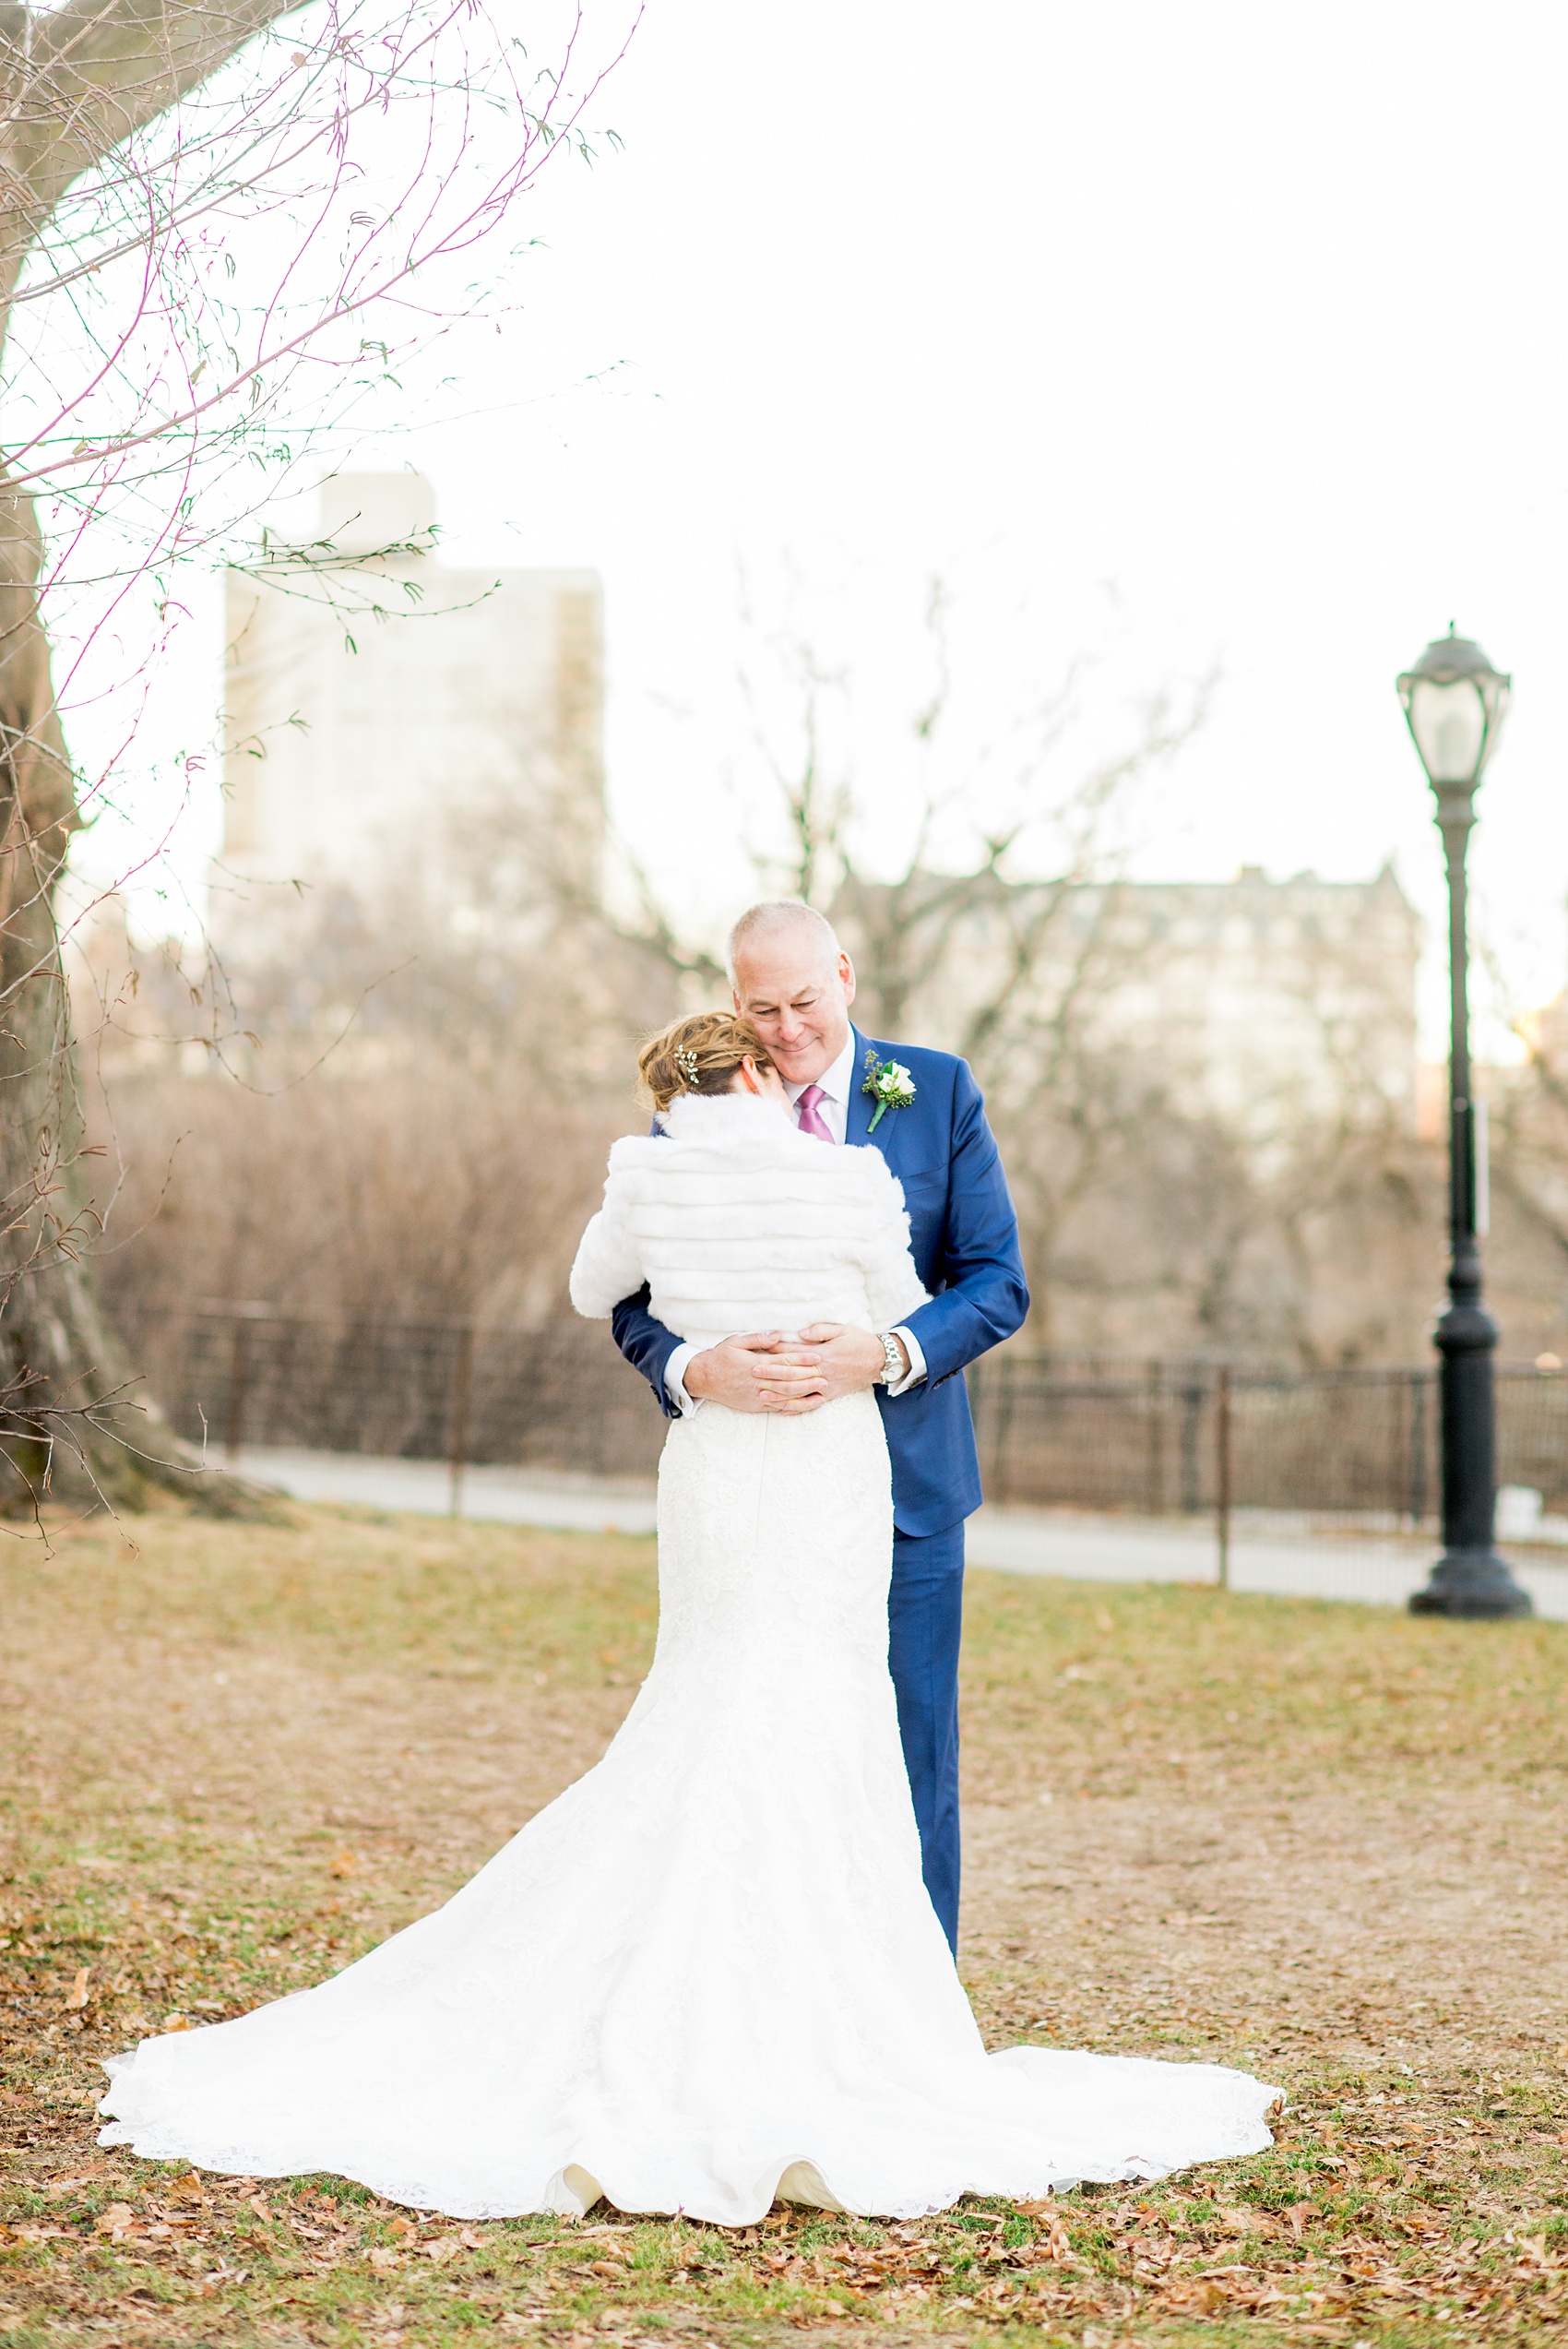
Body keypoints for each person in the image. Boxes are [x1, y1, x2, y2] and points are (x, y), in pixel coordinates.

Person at [98, 1008, 1278, 2222]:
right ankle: (834, 2020)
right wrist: (808, 1342)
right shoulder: (852, 1180)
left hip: (720, 1472)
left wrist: (710, 1325)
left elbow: (588, 1284)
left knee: (708, 1700)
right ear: (761, 1070)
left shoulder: (651, 1171)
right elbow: (889, 1301)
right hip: (825, 1463)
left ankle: (702, 2000)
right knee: (823, 1711)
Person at [612, 900, 1028, 1952]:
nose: (788, 1028)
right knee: (750, 1735)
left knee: (907, 1744)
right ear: (732, 1001)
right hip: (751, 1496)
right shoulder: (694, 1110)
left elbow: (993, 1280)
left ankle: (914, 1988)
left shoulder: (933, 1090)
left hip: (908, 1486)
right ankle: (757, 1970)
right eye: (762, 1008)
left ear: (843, 975)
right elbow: (627, 1297)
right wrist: (692, 1365)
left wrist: (884, 1351)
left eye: (804, 1000)